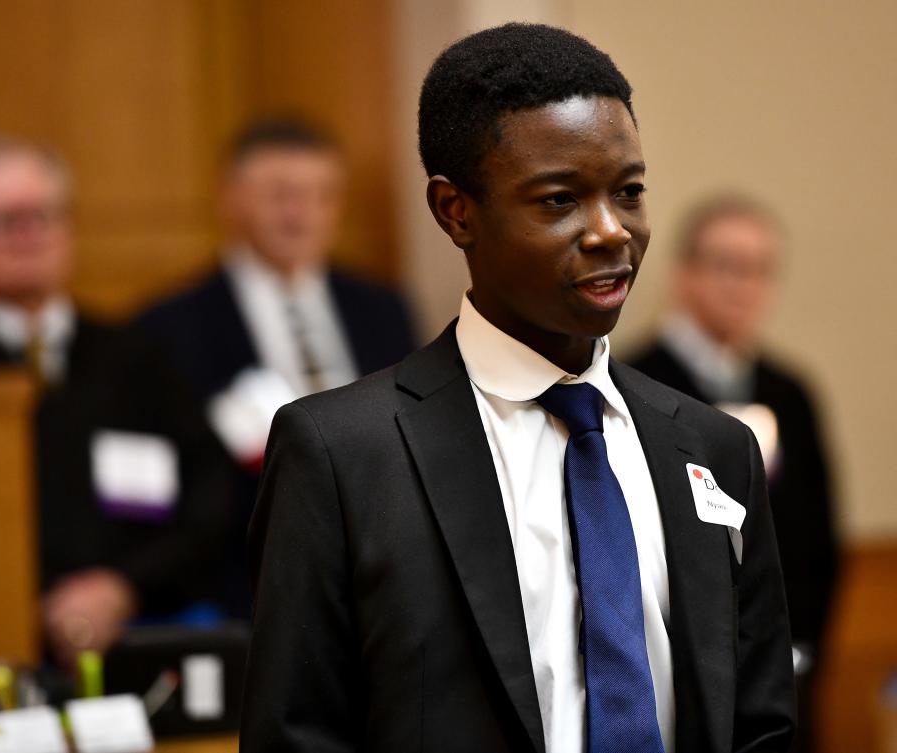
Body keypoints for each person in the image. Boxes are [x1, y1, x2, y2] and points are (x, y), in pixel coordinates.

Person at [240, 23, 795, 753]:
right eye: (559, 199)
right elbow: (296, 735)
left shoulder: (715, 448)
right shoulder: (344, 454)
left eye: (628, 192)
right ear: (455, 211)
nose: (610, 231)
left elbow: (761, 725)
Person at [0, 137, 235, 667]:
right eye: (6, 219)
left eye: (43, 215)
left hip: (137, 646)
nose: (29, 235)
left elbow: (210, 495)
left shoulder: (134, 355)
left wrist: (122, 586)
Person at [137, 118, 416, 616]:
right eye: (281, 195)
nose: (300, 214)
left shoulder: (383, 310)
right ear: (230, 197)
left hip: (382, 582)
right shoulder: (168, 327)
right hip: (242, 591)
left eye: (321, 196)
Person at [628, 196, 837, 753]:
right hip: (670, 677)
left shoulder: (790, 393)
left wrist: (796, 648)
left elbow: (817, 537)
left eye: (760, 270)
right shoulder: (634, 385)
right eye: (727, 266)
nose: (744, 286)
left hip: (782, 670)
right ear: (685, 272)